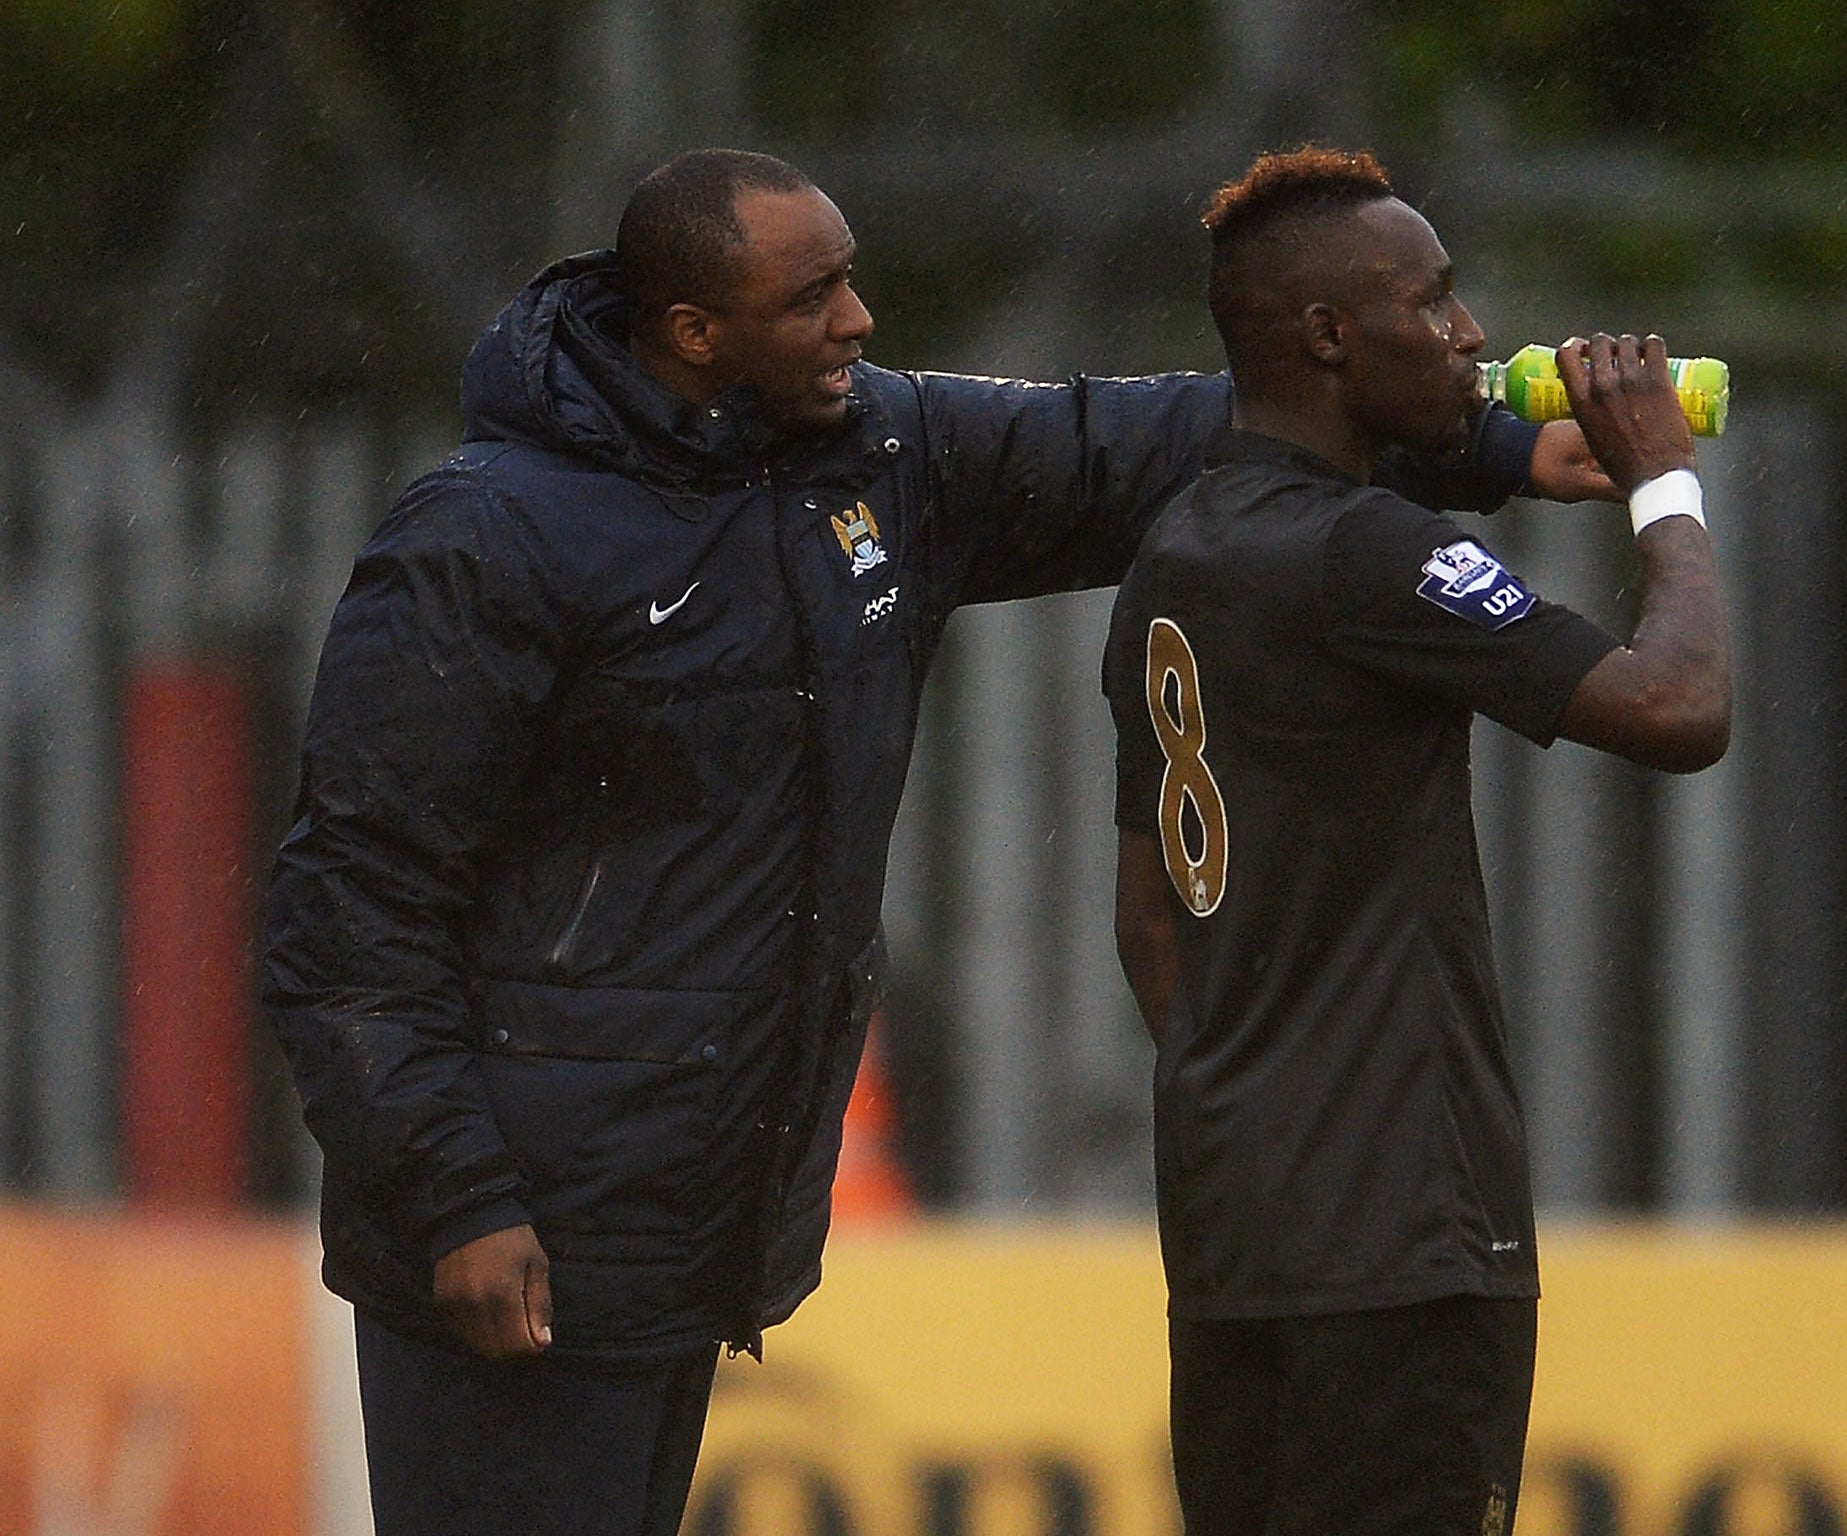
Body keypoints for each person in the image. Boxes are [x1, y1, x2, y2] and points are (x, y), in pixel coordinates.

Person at [262, 146, 1617, 1536]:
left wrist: (1498, 447)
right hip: (517, 1228)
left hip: (684, 1229)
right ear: (693, 334)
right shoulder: (487, 536)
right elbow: (350, 908)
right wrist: (453, 1200)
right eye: (815, 298)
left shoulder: (876, 454)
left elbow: (1155, 433)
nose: (858, 322)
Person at [1102, 147, 1732, 1536]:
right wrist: (1665, 492)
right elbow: (1680, 707)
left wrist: (1253, 1093)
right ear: (1330, 335)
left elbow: (1150, 910)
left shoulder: (1178, 552)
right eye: (1435, 299)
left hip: (1238, 1231)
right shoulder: (1363, 552)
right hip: (1401, 1231)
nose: (1468, 334)